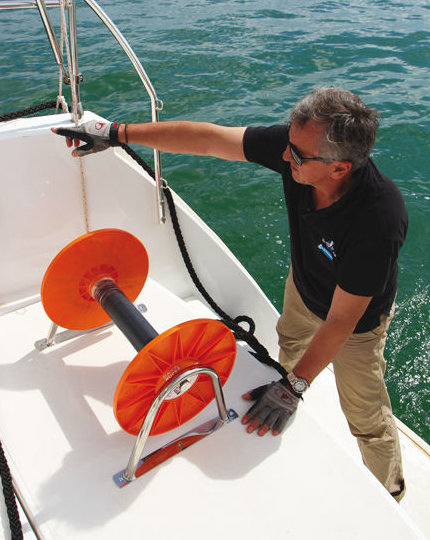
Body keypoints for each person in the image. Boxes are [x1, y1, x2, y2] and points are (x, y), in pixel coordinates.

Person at [52, 87, 407, 501]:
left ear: (339, 168)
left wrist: (293, 388)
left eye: (297, 155)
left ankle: (392, 496)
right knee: (287, 350)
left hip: (355, 323)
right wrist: (116, 132)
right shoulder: (298, 149)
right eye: (288, 146)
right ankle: (291, 408)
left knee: (365, 416)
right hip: (305, 289)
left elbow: (342, 320)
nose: (285, 157)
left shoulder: (378, 219)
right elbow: (210, 139)